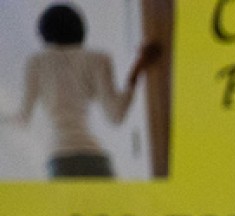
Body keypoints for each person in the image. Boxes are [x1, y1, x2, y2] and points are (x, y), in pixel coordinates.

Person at [12, 4, 162, 178]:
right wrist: (137, 68)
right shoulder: (98, 59)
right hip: (95, 157)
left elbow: (23, 117)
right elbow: (116, 115)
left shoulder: (36, 62)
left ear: (44, 33)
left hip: (60, 158)